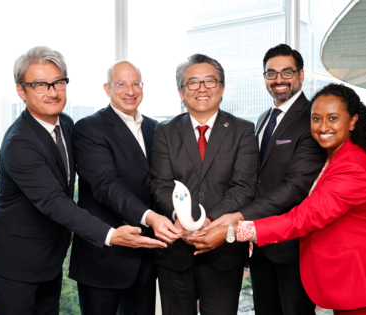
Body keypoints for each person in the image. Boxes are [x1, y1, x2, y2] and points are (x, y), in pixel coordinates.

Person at [192, 83, 366, 315]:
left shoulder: (353, 167)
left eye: (333, 118)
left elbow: (302, 218)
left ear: (353, 120)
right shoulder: (337, 156)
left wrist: (233, 231)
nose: (323, 127)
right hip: (353, 280)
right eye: (316, 119)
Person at [0, 46, 166, 315]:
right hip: (14, 263)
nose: (53, 91)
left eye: (58, 83)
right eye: (40, 85)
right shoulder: (19, 143)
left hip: (50, 258)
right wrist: (111, 235)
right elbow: (54, 202)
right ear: (22, 91)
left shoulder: (65, 124)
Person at [201, 44, 327, 315]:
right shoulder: (263, 119)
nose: (278, 80)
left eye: (286, 72)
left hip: (292, 248)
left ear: (301, 75)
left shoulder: (311, 120)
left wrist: (239, 216)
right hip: (259, 245)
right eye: (271, 73)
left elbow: (295, 187)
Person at [69, 60, 181, 315]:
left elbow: (163, 182)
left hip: (146, 257)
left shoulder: (156, 128)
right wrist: (151, 217)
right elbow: (106, 185)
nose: (130, 91)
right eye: (121, 84)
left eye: (135, 84)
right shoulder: (89, 128)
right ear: (107, 88)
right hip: (104, 259)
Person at [151, 53, 259, 315]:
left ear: (221, 88)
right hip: (175, 251)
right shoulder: (164, 131)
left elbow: (243, 186)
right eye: (193, 83)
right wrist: (182, 218)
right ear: (181, 91)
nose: (202, 89)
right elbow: (161, 184)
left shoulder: (243, 130)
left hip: (222, 253)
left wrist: (209, 221)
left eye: (210, 81)